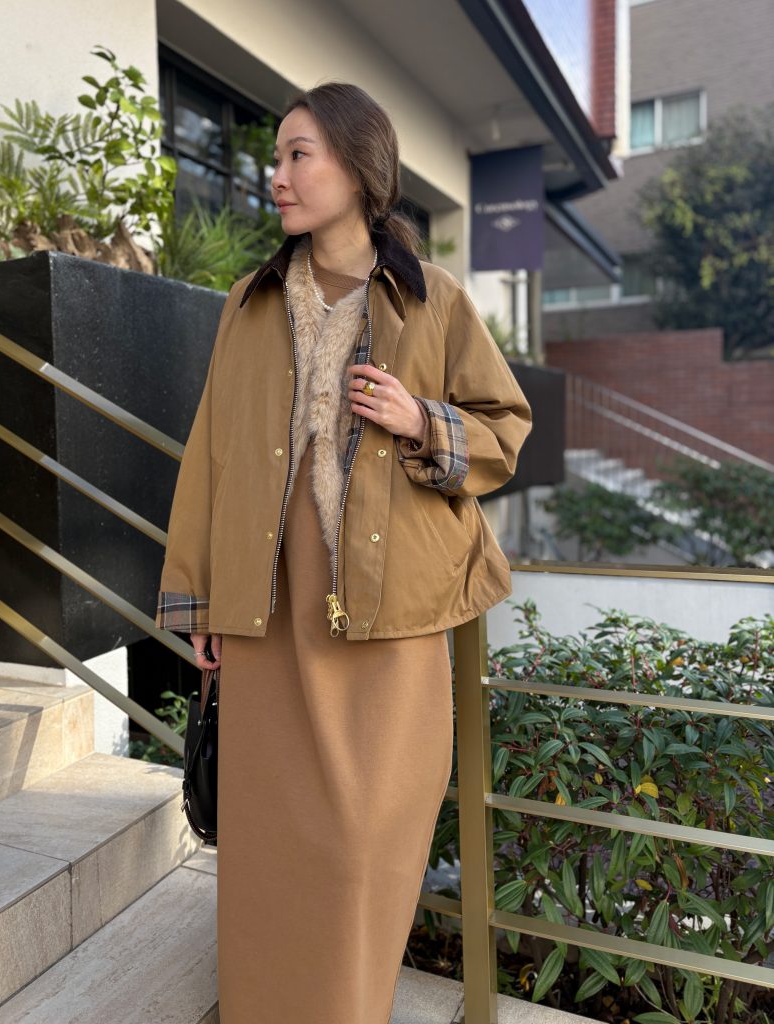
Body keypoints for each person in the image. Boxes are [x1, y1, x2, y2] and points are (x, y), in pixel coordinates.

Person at [155, 81, 532, 1024]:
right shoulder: (248, 304)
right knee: (272, 849)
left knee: (364, 850)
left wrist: (422, 421)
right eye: (274, 158)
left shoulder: (432, 301)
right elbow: (210, 456)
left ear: (360, 170)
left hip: (390, 617)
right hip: (269, 611)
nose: (276, 176)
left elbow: (504, 431)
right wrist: (198, 600)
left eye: (298, 155)